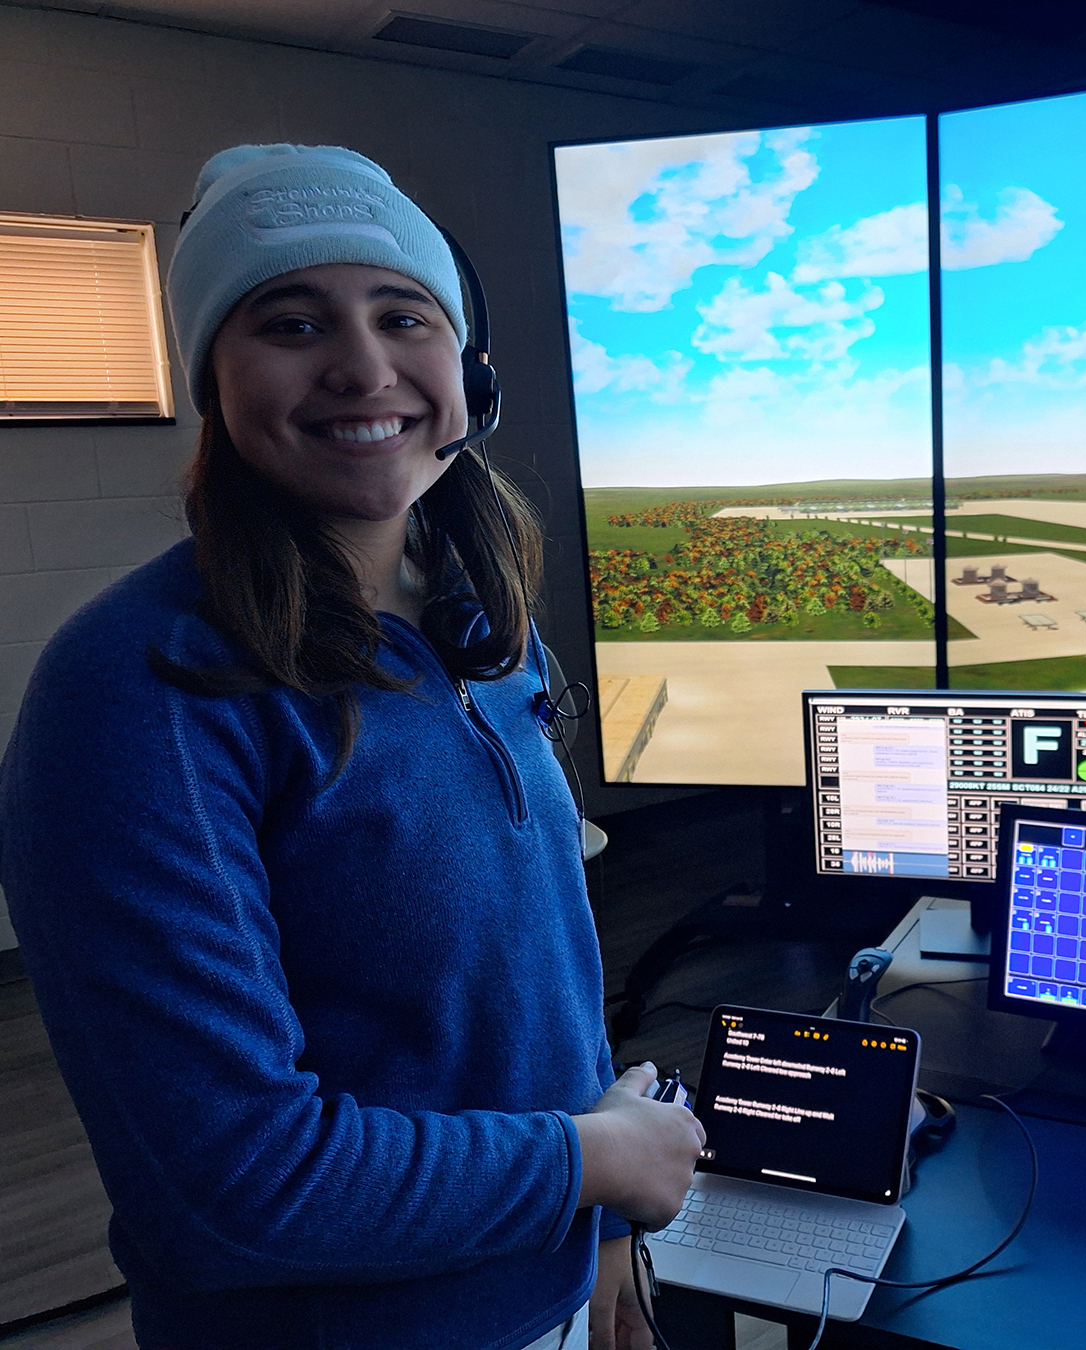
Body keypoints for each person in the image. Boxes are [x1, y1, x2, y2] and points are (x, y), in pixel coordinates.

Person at [0, 144, 703, 1350]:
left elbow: (539, 987)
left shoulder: (485, 632)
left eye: (403, 316)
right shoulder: (137, 690)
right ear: (213, 381)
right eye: (290, 320)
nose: (364, 366)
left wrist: (604, 1241)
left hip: (546, 1288)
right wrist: (596, 1166)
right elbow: (240, 1182)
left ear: (470, 371)